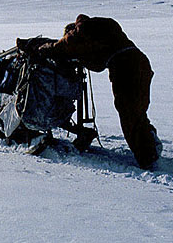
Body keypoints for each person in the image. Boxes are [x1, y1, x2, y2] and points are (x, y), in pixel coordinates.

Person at [28, 14, 162, 169]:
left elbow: (64, 45)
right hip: (139, 63)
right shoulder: (103, 27)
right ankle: (150, 144)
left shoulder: (81, 30)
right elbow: (95, 59)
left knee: (129, 113)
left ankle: (148, 159)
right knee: (136, 110)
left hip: (126, 69)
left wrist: (43, 49)